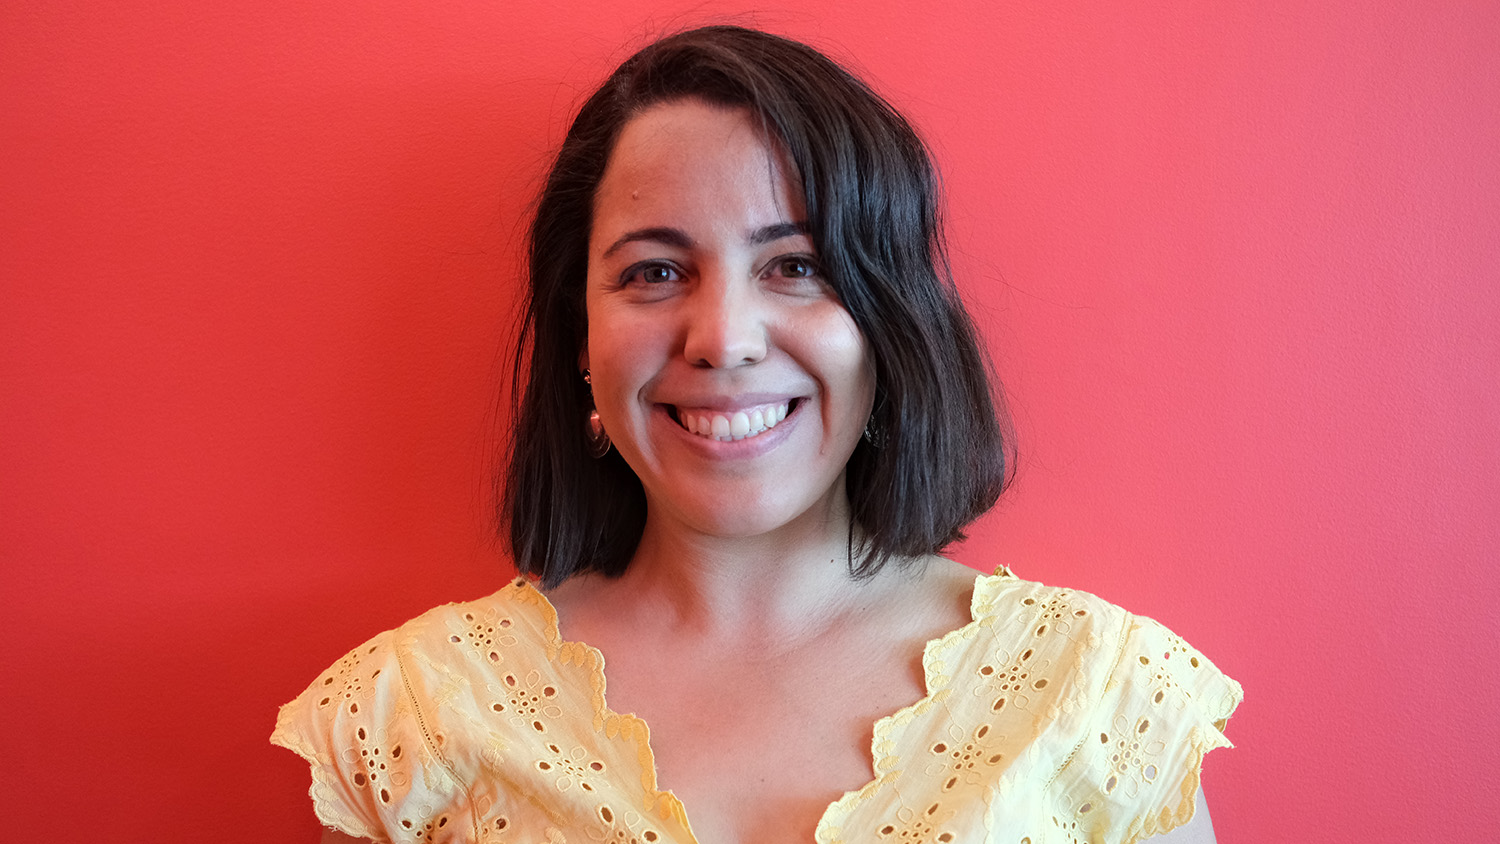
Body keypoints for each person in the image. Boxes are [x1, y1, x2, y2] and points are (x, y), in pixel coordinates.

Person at [272, 25, 1241, 844]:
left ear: (889, 323)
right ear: (582, 339)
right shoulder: (413, 719)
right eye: (654, 272)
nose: (724, 338)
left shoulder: (1105, 702)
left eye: (796, 266)